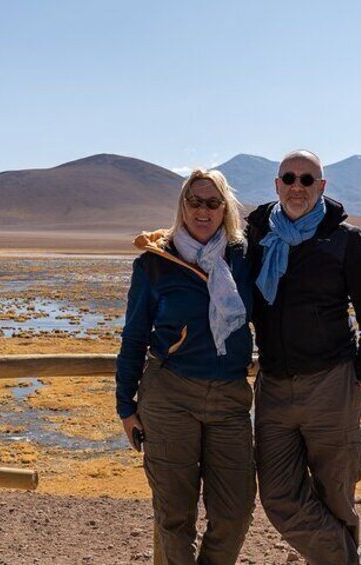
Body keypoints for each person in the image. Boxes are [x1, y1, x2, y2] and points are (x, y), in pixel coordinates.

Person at [246, 150, 361, 565]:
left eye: (307, 180)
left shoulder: (344, 239)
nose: (297, 187)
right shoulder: (257, 236)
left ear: (321, 187)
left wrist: (360, 381)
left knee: (337, 499)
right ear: (276, 185)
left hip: (332, 384)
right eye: (289, 178)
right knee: (277, 497)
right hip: (273, 386)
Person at [116, 169, 255, 564]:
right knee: (175, 516)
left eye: (213, 203)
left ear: (225, 209)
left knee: (236, 511)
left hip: (230, 396)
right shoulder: (154, 264)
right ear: (182, 205)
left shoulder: (242, 257)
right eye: (194, 201)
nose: (203, 210)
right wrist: (125, 405)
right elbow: (134, 336)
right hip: (170, 396)